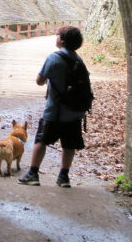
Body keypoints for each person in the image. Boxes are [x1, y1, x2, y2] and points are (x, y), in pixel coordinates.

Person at [18, 25, 86, 188]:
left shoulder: (54, 58)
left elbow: (39, 81)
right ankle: (64, 177)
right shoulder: (78, 60)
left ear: (61, 40)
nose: (56, 37)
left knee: (41, 140)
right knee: (69, 144)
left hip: (54, 111)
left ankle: (33, 174)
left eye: (57, 35)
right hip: (74, 112)